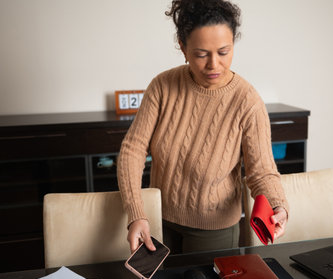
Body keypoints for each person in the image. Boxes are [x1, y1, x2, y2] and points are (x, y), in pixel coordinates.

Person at [117, 0, 289, 255]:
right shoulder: (162, 86)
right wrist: (136, 213)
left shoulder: (247, 101)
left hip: (215, 230)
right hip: (158, 221)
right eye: (201, 54)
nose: (213, 64)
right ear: (183, 48)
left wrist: (278, 206)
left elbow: (261, 171)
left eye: (223, 52)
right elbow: (133, 150)